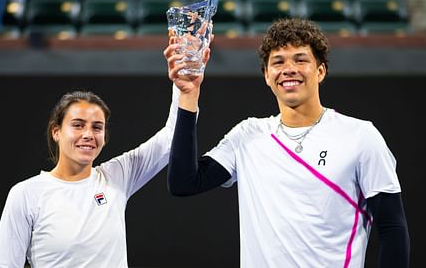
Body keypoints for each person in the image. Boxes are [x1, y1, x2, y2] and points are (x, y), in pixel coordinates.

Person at [165, 18, 410, 267]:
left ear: (320, 71)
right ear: (267, 76)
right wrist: (188, 95)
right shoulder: (247, 135)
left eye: (300, 59)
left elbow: (392, 228)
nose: (289, 69)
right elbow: (183, 183)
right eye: (278, 62)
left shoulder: (360, 136)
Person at [0, 84, 182, 267]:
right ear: (56, 132)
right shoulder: (26, 194)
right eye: (78, 125)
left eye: (97, 127)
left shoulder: (117, 176)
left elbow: (172, 137)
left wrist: (183, 86)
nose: (88, 134)